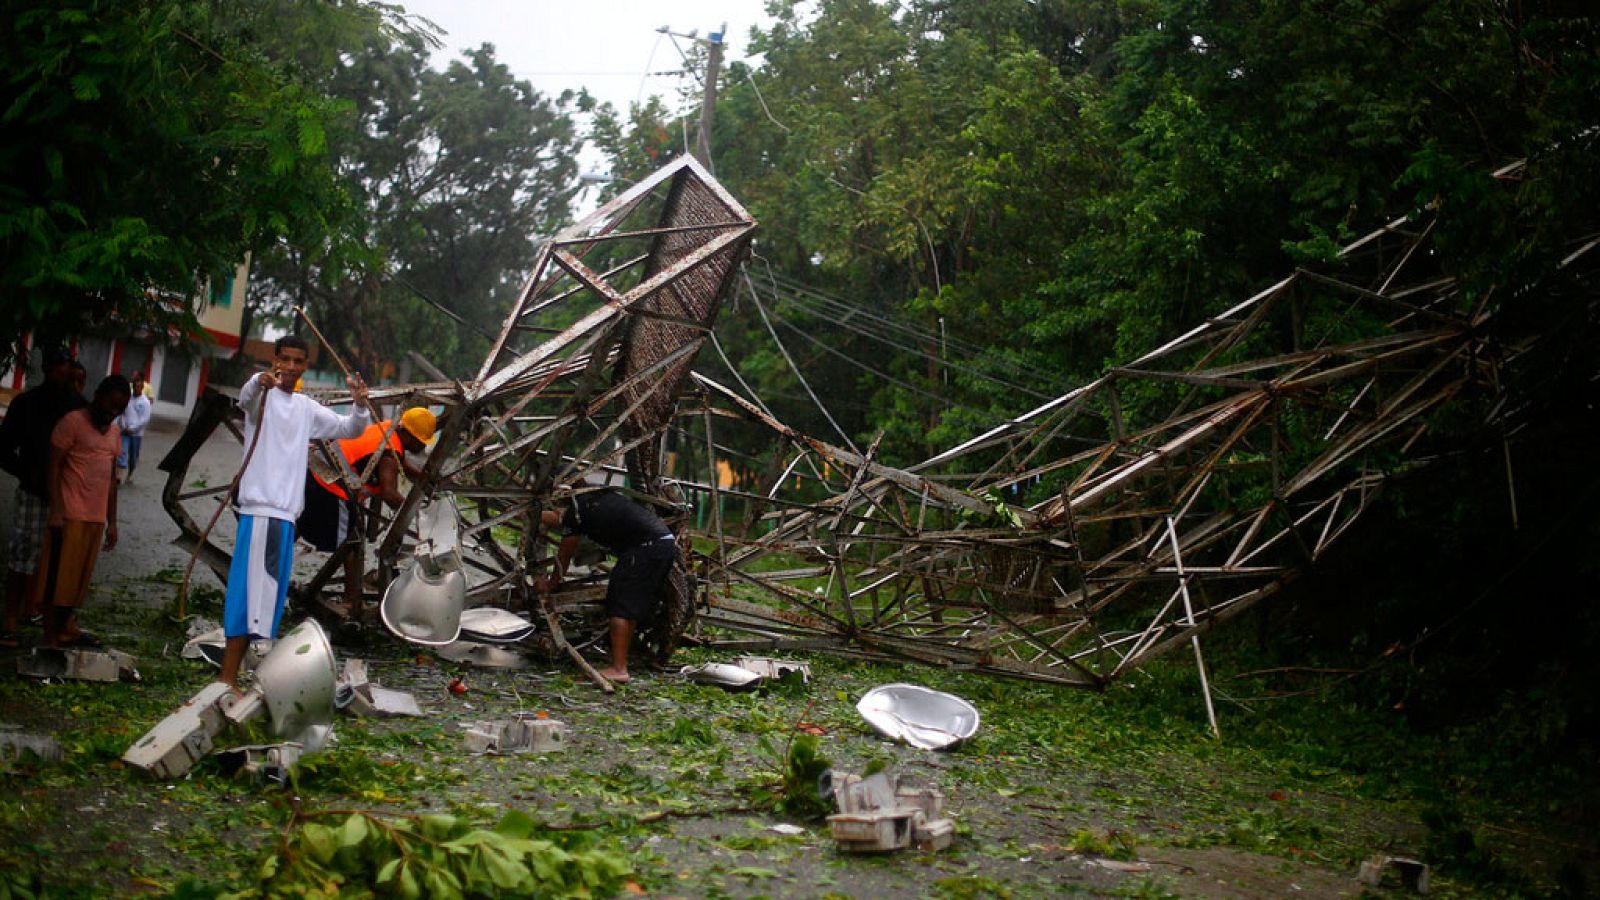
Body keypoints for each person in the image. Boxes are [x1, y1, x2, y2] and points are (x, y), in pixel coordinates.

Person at [218, 336, 370, 689]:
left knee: (267, 596)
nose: (289, 366)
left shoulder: (305, 408)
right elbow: (245, 398)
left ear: (305, 365)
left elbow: (349, 428)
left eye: (297, 361)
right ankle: (227, 678)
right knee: (249, 593)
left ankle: (238, 678)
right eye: (283, 359)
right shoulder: (262, 398)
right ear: (274, 360)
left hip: (286, 516)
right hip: (260, 510)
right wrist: (259, 381)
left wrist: (361, 406)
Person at [537, 489, 675, 684]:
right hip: (663, 543)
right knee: (630, 606)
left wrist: (551, 584)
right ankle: (621, 661)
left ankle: (618, 668)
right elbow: (558, 518)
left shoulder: (577, 512)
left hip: (644, 548)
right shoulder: (595, 499)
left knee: (618, 604)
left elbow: (564, 555)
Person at [0, 347, 86, 647]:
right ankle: (11, 614)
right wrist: (27, 472)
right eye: (59, 365)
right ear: (48, 368)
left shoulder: (78, 407)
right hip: (34, 492)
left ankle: (51, 619)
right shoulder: (26, 404)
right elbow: (3, 448)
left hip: (69, 496)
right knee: (23, 552)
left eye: (68, 365)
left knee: (62, 560)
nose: (64, 371)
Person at [38, 375, 130, 647]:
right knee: (58, 582)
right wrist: (56, 510)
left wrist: (112, 521)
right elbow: (53, 467)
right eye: (111, 405)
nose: (113, 413)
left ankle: (65, 629)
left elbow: (112, 478)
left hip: (95, 517)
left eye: (120, 410)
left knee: (78, 583)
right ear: (99, 395)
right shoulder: (72, 422)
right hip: (69, 514)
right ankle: (49, 638)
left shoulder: (113, 432)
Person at [297, 406, 438, 552]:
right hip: (333, 490)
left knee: (302, 522)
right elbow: (389, 494)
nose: (424, 445)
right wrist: (420, 515)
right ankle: (350, 574)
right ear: (407, 434)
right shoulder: (389, 458)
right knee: (348, 544)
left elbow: (400, 460)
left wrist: (424, 477)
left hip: (317, 471)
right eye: (421, 440)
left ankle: (278, 545)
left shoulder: (389, 428)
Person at [115, 371, 153, 484]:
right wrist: (123, 426)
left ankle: (130, 474)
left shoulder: (145, 402)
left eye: (139, 386)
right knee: (122, 452)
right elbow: (121, 412)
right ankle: (118, 476)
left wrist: (132, 429)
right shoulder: (127, 398)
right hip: (124, 432)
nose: (137, 388)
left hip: (136, 434)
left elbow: (144, 420)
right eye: (135, 385)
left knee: (133, 457)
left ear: (142, 387)